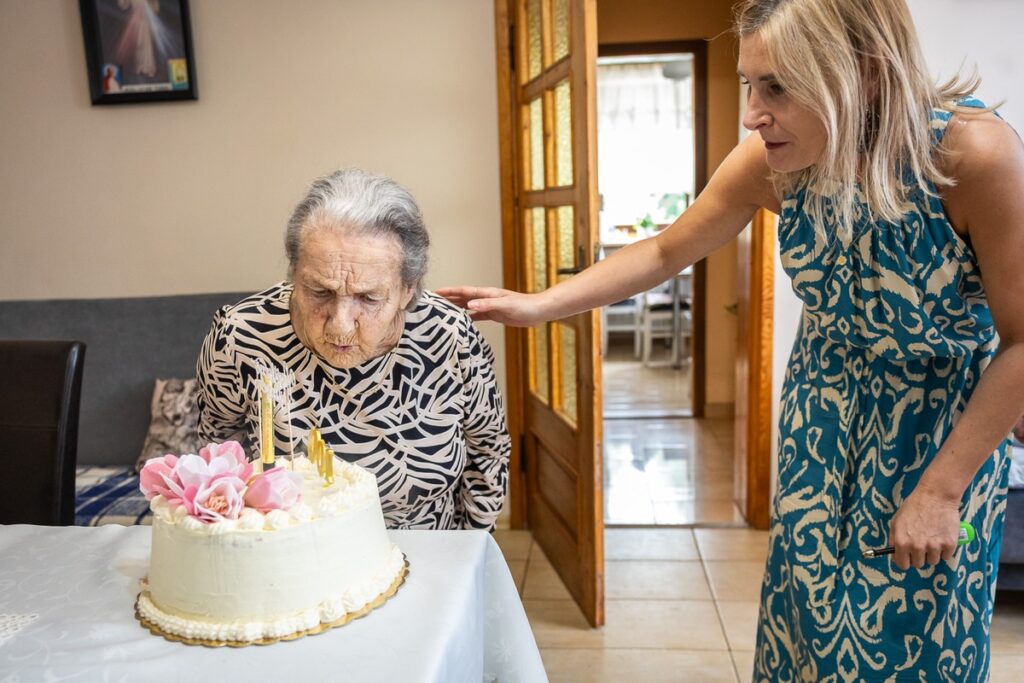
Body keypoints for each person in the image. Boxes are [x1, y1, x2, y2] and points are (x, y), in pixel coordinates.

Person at [439, 0, 1024, 680]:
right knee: (807, 626)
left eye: (776, 86)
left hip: (938, 444)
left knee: (915, 643)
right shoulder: (772, 164)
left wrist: (941, 491)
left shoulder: (974, 157)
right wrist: (540, 305)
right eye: (750, 83)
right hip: (820, 425)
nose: (752, 112)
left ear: (861, 73)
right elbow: (662, 253)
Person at [197, 168, 510, 531]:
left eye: (369, 297)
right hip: (290, 551)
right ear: (294, 273)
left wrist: (468, 548)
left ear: (407, 289)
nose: (340, 325)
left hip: (427, 546)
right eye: (319, 292)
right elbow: (219, 448)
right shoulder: (241, 336)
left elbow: (488, 449)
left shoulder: (450, 336)